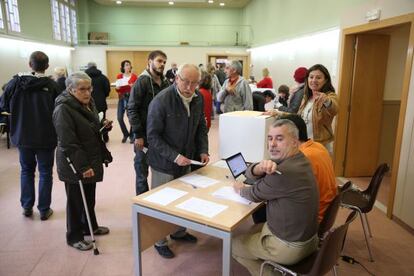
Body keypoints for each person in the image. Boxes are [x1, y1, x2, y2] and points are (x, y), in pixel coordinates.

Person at [232, 119, 319, 276]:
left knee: (232, 245)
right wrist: (259, 167)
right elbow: (250, 172)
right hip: (309, 239)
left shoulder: (284, 172)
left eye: (279, 139)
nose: (272, 144)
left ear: (294, 142)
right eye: (270, 138)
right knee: (254, 229)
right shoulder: (299, 159)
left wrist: (240, 189)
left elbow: (253, 194)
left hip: (289, 247)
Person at [146, 64, 209, 259]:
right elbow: (153, 137)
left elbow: (200, 127)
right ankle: (159, 240)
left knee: (184, 199)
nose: (190, 87)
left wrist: (203, 151)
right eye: (186, 82)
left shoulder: (197, 99)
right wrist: (174, 156)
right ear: (176, 78)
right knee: (163, 203)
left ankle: (179, 231)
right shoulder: (161, 101)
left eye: (194, 83)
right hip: (164, 162)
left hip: (188, 159)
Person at [53, 71, 112, 251]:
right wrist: (83, 166)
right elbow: (69, 142)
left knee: (89, 197)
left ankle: (89, 227)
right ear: (71, 90)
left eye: (89, 88)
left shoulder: (88, 103)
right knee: (76, 202)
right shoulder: (63, 109)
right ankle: (74, 236)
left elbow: (89, 128)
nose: (87, 93)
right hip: (74, 163)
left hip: (89, 158)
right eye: (82, 89)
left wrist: (102, 125)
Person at [0, 51, 59, 220]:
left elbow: (3, 104)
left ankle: (27, 206)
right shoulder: (52, 86)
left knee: (26, 171)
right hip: (46, 137)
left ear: (29, 64)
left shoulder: (14, 83)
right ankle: (44, 209)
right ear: (47, 66)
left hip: (22, 135)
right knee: (46, 173)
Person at [127, 50, 169, 195]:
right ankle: (142, 204)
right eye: (159, 61)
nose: (162, 64)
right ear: (149, 62)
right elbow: (132, 109)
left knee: (161, 170)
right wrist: (137, 134)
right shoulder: (142, 81)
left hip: (160, 136)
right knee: (141, 172)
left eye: (164, 62)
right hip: (143, 136)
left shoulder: (165, 82)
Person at [281, 114, 337, 222]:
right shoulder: (318, 146)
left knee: (262, 205)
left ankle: (265, 234)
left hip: (313, 218)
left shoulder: (302, 158)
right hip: (327, 212)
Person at [298, 64, 338, 152]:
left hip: (320, 146)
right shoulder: (306, 97)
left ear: (325, 80)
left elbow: (334, 109)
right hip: (304, 144)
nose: (314, 80)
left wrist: (326, 100)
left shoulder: (330, 96)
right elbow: (299, 117)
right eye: (311, 77)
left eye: (318, 78)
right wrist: (278, 113)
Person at [85, 62, 111, 143]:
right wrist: (103, 96)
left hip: (87, 103)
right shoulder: (103, 77)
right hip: (101, 102)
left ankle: (94, 138)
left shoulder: (84, 78)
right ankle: (105, 136)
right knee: (103, 119)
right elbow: (107, 90)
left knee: (89, 120)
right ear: (96, 67)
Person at [115, 60, 137, 143]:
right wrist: (117, 89)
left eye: (129, 65)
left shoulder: (134, 76)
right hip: (122, 98)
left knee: (131, 118)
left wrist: (133, 86)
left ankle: (132, 135)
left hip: (131, 99)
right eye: (126, 65)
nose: (128, 66)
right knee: (119, 118)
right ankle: (125, 134)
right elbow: (118, 89)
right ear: (123, 67)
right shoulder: (119, 76)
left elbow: (136, 89)